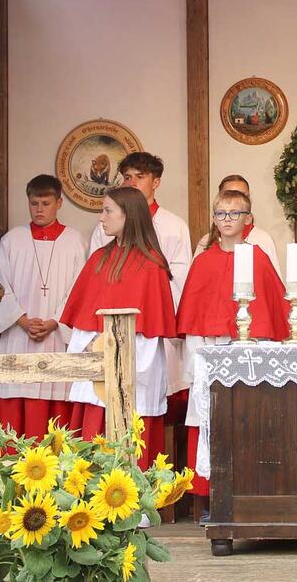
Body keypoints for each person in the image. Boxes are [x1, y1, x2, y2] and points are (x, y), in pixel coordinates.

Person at [177, 187, 291, 517]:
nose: (227, 220)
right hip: (209, 349)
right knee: (208, 419)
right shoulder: (203, 261)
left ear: (248, 219)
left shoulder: (258, 258)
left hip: (249, 351)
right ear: (214, 219)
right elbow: (194, 318)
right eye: (220, 214)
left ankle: (252, 493)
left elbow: (272, 311)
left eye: (234, 214)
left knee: (250, 418)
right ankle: (212, 497)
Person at [63, 186, 177, 469]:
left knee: (132, 430)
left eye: (107, 211)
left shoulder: (152, 265)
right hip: (97, 366)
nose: (101, 218)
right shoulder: (98, 259)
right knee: (92, 430)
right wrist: (93, 348)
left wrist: (122, 356)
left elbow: (151, 329)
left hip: (137, 364)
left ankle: (135, 504)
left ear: (129, 215)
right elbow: (84, 319)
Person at [86, 152, 192, 420]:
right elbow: (95, 284)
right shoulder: (104, 233)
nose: (131, 182)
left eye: (139, 177)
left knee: (145, 404)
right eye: (127, 177)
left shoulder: (173, 226)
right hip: (103, 335)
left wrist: (160, 316)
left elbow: (179, 279)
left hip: (149, 331)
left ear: (156, 182)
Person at [0, 175, 86, 438]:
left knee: (56, 409)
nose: (39, 209)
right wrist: (21, 319)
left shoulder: (75, 241)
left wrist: (54, 321)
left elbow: (79, 289)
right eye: (34, 203)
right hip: (18, 333)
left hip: (55, 337)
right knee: (15, 410)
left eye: (45, 203)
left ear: (59, 203)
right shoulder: (12, 240)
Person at [193, 174, 282, 277]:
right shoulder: (205, 244)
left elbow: (270, 285)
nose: (235, 200)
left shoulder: (262, 240)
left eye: (243, 196)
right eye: (229, 194)